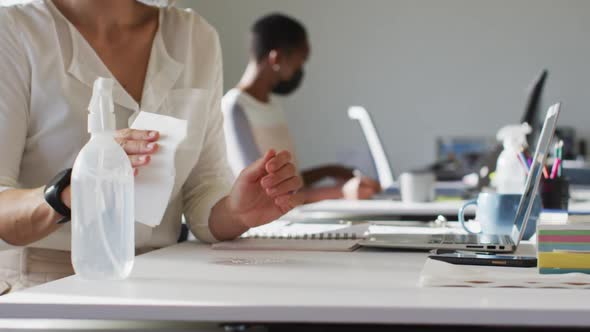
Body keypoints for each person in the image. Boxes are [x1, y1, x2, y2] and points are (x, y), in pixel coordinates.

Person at [0, 0, 303, 292]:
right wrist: (72, 190)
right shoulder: (14, 31)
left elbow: (203, 188)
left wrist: (237, 212)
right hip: (45, 286)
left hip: (163, 277)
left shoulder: (194, 36)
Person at [222, 13, 380, 203]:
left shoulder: (273, 105)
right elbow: (260, 194)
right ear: (276, 58)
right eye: (300, 61)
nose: (300, 69)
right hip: (270, 226)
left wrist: (330, 171)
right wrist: (341, 192)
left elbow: (289, 180)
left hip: (291, 214)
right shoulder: (235, 107)